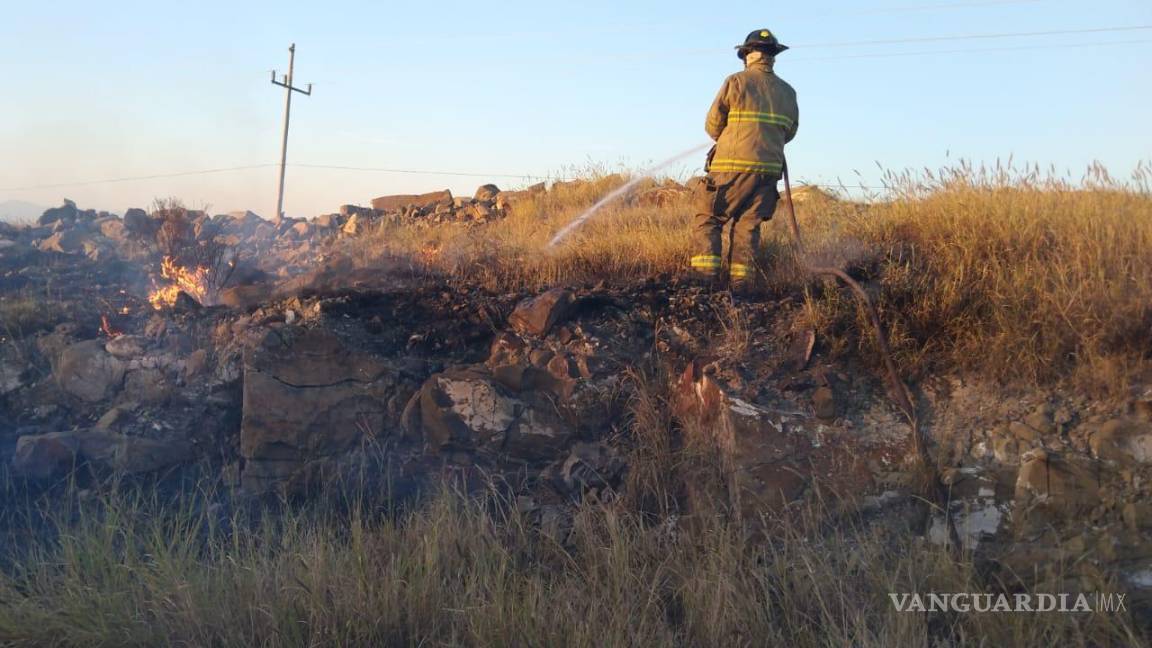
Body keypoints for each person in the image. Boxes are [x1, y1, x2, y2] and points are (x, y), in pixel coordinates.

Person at [691, 29, 799, 289]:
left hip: (730, 168)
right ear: (773, 56)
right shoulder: (788, 91)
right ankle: (741, 287)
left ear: (747, 54)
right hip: (768, 171)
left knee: (708, 218)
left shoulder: (736, 82)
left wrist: (734, 140)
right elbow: (790, 132)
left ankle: (704, 285)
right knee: (748, 227)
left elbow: (713, 125)